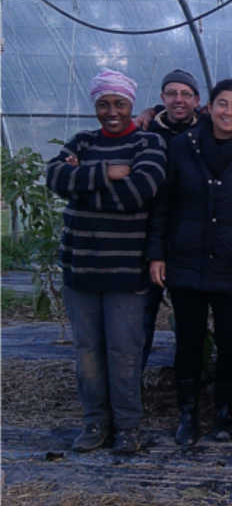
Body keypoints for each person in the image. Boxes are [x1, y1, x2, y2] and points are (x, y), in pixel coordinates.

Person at [46, 69, 166, 455]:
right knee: (87, 352)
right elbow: (53, 176)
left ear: (131, 104)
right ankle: (95, 422)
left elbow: (138, 192)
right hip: (80, 268)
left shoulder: (148, 142)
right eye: (103, 104)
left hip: (125, 271)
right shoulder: (83, 140)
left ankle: (128, 426)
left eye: (119, 103)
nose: (111, 112)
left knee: (123, 352)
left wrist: (82, 182)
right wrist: (108, 172)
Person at [146, 79, 232, 445]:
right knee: (188, 341)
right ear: (209, 107)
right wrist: (157, 253)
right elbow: (163, 204)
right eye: (222, 104)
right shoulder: (183, 146)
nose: (228, 112)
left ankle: (224, 413)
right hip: (186, 260)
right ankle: (188, 414)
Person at [141, 69, 202, 371]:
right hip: (147, 235)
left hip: (189, 240)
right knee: (142, 316)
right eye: (172, 94)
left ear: (197, 100)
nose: (179, 100)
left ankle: (189, 379)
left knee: (190, 320)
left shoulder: (206, 131)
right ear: (162, 98)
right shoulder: (147, 134)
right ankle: (131, 385)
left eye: (186, 94)